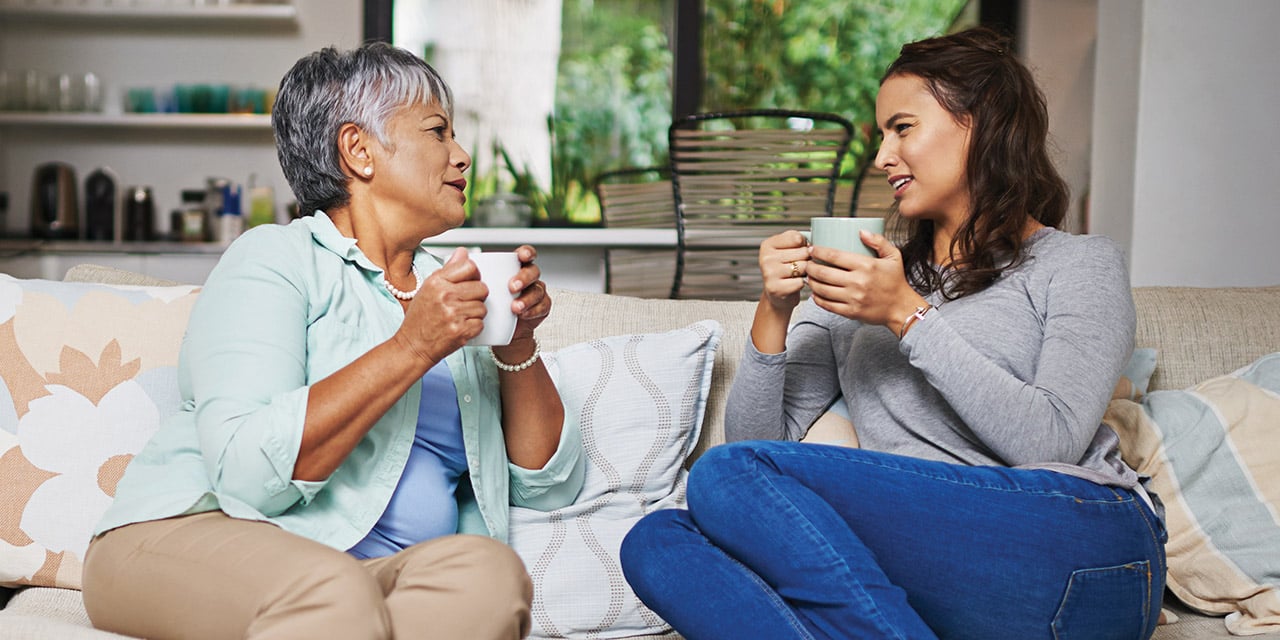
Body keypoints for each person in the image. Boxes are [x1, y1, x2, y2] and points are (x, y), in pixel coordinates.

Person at [620, 27, 1165, 640]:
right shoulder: (863, 281)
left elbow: (1052, 440)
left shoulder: (1078, 264)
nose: (881, 156)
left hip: (1083, 545)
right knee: (657, 541)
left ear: (980, 122)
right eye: (882, 134)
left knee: (721, 477)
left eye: (902, 128)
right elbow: (759, 450)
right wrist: (774, 309)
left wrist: (907, 315)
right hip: (941, 578)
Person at [81, 42, 584, 640]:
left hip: (372, 574)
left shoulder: (453, 295)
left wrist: (515, 344)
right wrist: (413, 347)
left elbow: (549, 484)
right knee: (328, 590)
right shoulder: (275, 260)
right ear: (359, 150)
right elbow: (245, 475)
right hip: (191, 536)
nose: (462, 156)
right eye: (438, 132)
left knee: (490, 574)